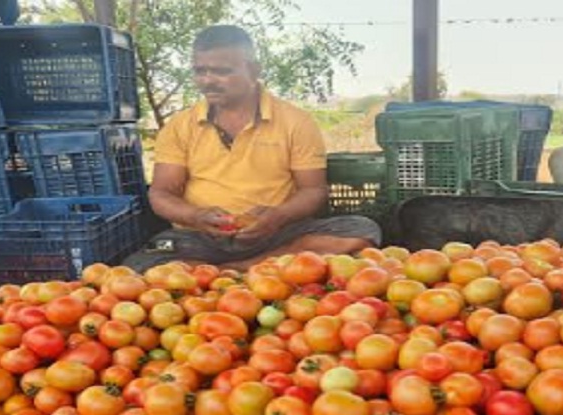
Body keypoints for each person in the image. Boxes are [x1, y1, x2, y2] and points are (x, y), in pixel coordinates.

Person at [129, 25, 381, 271]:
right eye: (200, 71)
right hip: (200, 239)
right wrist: (196, 216)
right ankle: (259, 268)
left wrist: (278, 216)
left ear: (253, 70)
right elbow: (162, 193)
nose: (207, 81)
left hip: (278, 235)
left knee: (361, 229)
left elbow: (313, 190)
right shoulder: (180, 126)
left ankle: (231, 270)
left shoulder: (295, 121)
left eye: (221, 71)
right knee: (142, 262)